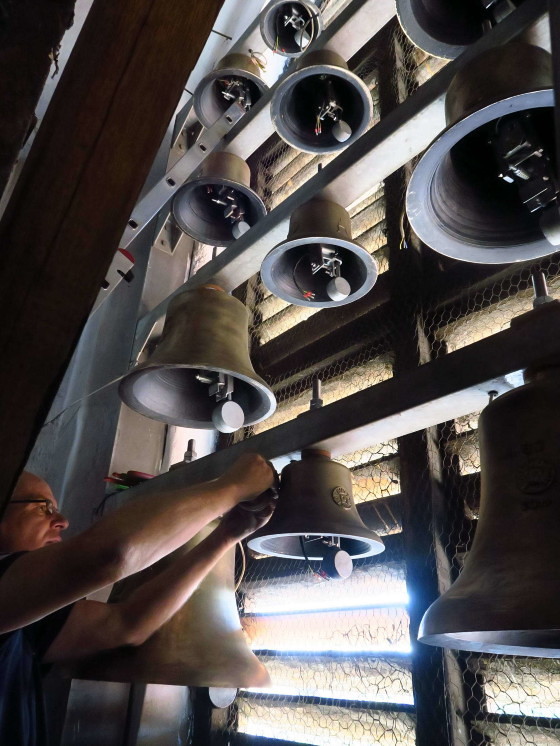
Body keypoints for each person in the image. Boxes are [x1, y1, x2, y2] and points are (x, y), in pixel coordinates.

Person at [0, 453, 276, 746]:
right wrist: (232, 487)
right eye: (43, 507)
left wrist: (225, 536)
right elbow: (111, 555)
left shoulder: (25, 624)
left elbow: (129, 624)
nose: (62, 521)